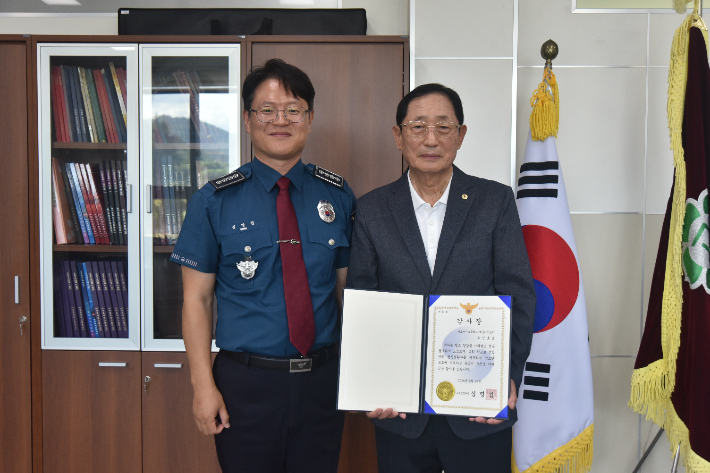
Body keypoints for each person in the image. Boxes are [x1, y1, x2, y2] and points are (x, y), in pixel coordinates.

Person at [170, 58, 356, 473]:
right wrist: (203, 387)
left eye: (293, 110)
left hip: (323, 381)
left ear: (310, 118)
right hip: (245, 385)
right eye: (267, 110)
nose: (280, 120)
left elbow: (349, 294)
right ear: (248, 119)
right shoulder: (214, 201)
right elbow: (195, 301)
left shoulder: (339, 196)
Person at [346, 83, 536, 473]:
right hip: (400, 410)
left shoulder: (495, 202)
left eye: (443, 127)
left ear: (461, 135)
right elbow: (363, 297)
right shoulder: (371, 210)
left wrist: (506, 378)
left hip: (478, 407)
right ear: (398, 136)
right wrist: (369, 384)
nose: (430, 139)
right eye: (418, 126)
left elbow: (517, 295)